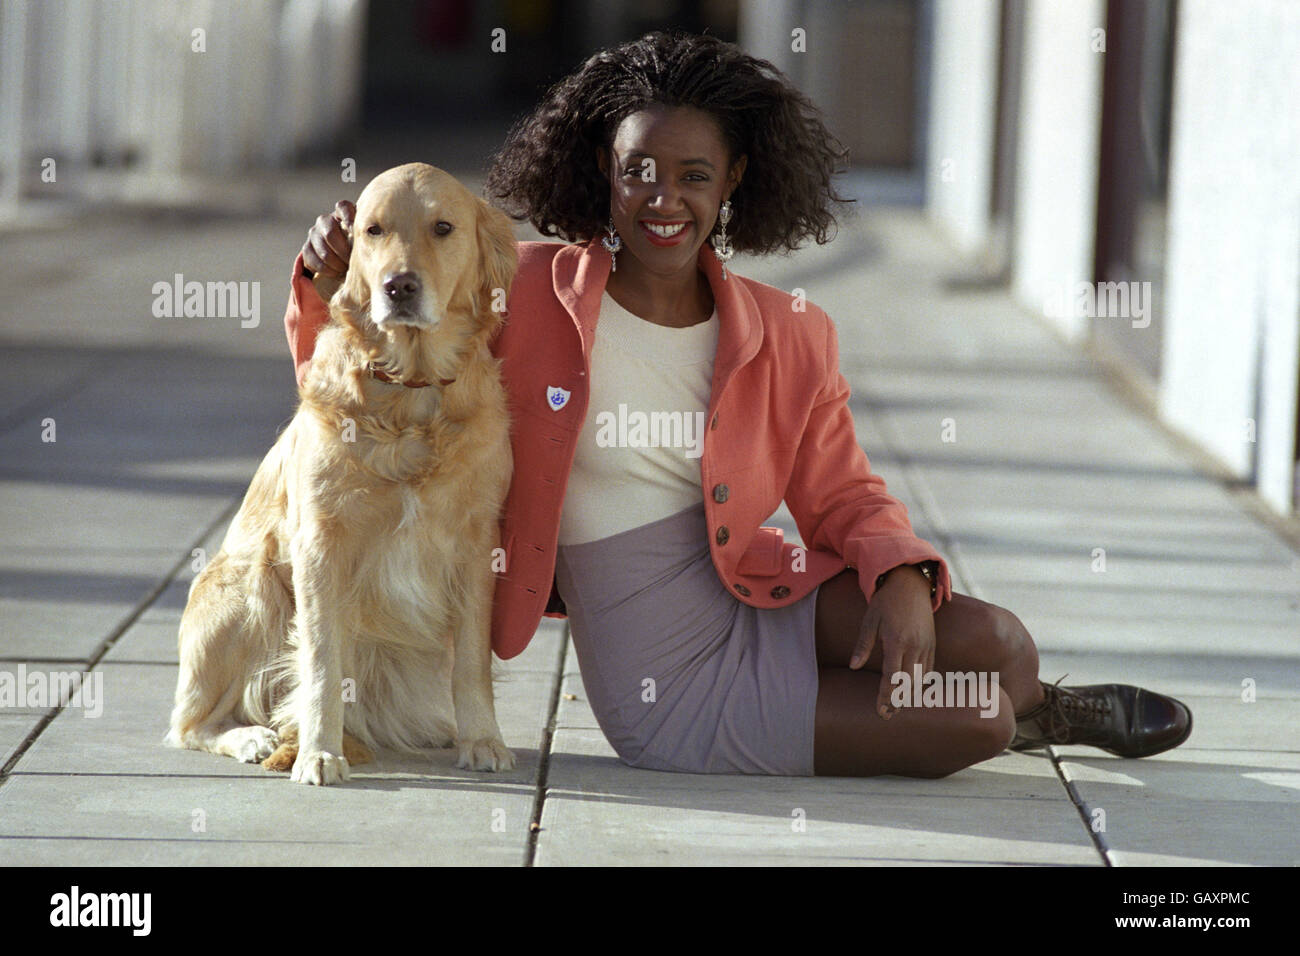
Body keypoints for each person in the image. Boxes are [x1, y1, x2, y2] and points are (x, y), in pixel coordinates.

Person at [284, 31, 1191, 777]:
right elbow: (363, 371)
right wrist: (328, 273)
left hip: (754, 592)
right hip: (666, 677)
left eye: (693, 174)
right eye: (639, 171)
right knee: (978, 716)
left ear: (733, 183)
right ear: (606, 171)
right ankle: (1020, 719)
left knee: (999, 642)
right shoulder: (524, 292)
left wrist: (903, 577)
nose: (663, 198)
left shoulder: (788, 331)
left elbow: (844, 495)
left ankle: (1044, 703)